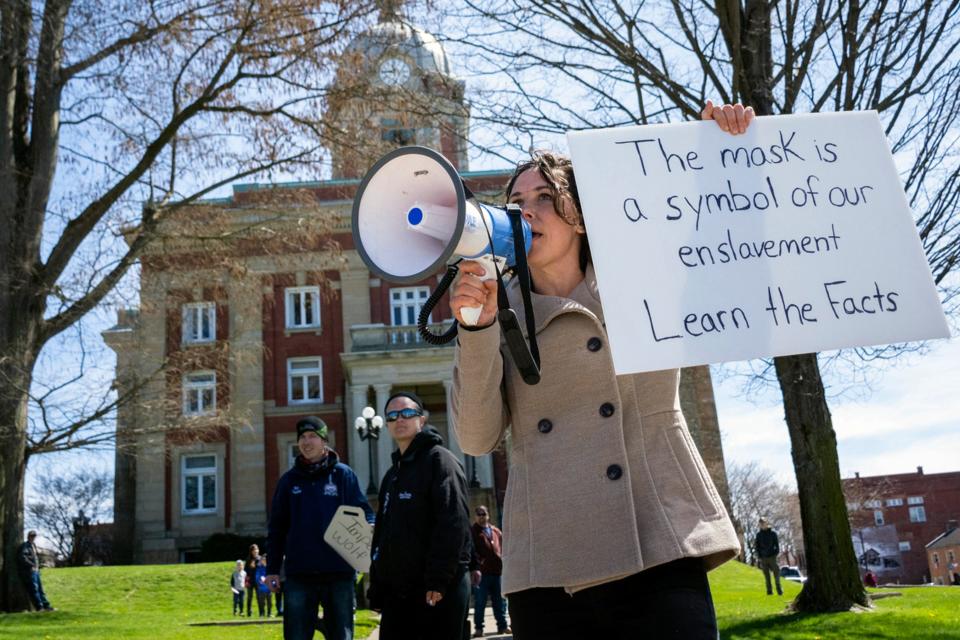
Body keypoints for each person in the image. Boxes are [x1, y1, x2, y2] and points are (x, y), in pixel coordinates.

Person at [449, 102, 752, 639]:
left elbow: (723, 230)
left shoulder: (645, 277)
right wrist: (475, 329)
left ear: (582, 216)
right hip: (551, 560)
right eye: (516, 202)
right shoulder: (499, 308)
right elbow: (475, 438)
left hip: (656, 533)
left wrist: (721, 147)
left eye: (545, 198)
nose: (527, 212)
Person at [367, 391, 473, 640]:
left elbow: (453, 523)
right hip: (398, 594)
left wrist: (438, 580)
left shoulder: (441, 461)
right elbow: (383, 536)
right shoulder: (392, 475)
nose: (399, 419)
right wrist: (378, 586)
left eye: (407, 413)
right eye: (392, 415)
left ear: (421, 420)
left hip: (436, 590)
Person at [265, 416, 374, 640]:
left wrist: (369, 529)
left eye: (313, 436)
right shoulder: (288, 481)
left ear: (324, 441)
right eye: (302, 437)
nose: (307, 441)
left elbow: (364, 512)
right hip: (299, 575)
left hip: (339, 573)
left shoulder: (343, 475)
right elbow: (277, 528)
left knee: (341, 635)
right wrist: (273, 570)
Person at [470, 506, 509, 637]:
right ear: (475, 516)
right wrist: (478, 562)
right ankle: (479, 628)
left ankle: (502, 626)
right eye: (479, 514)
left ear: (488, 515)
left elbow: (504, 547)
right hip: (482, 573)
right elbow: (470, 549)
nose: (481, 516)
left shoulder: (496, 531)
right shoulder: (473, 531)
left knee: (500, 601)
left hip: (497, 571)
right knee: (480, 602)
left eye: (484, 514)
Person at [18, 530, 54, 612]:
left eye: (34, 536)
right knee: (35, 589)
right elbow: (23, 558)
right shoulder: (25, 546)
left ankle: (46, 605)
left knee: (40, 589)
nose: (33, 537)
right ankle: (39, 607)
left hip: (36, 571)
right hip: (30, 571)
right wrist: (32, 565)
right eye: (31, 536)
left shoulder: (33, 545)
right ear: (28, 536)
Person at [756, 517, 782, 596]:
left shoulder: (773, 533)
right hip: (763, 558)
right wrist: (759, 556)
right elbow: (757, 546)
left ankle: (779, 589)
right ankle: (769, 591)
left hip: (772, 557)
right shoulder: (759, 535)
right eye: (760, 524)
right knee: (767, 576)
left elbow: (777, 545)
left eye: (763, 523)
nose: (762, 525)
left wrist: (775, 554)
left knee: (776, 573)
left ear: (767, 523)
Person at [245, 543, 260, 616]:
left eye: (257, 549)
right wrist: (246, 581)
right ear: (251, 551)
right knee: (249, 597)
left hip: (258, 581)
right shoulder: (248, 560)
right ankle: (249, 612)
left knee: (259, 597)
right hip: (250, 581)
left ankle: (261, 612)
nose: (256, 551)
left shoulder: (260, 559)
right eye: (254, 550)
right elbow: (246, 571)